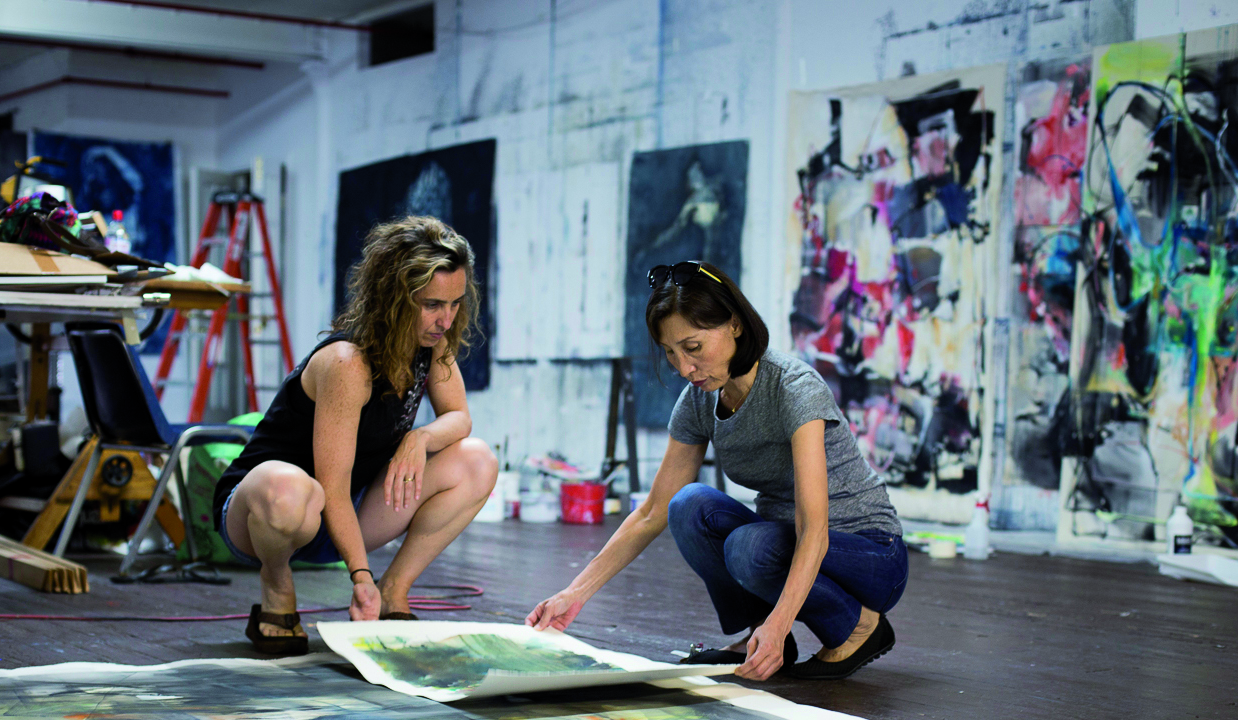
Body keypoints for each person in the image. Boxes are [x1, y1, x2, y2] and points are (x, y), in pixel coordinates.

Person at [526, 261, 907, 681]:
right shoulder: (699, 400)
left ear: (735, 325)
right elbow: (652, 511)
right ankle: (756, 634)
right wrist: (574, 594)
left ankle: (859, 627)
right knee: (687, 505)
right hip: (784, 541)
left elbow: (812, 528)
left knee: (750, 547)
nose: (683, 367)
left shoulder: (794, 388)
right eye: (671, 352)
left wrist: (780, 625)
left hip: (871, 554)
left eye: (692, 347)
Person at [214, 216, 498, 654]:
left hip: (345, 512)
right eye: (431, 304)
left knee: (477, 461)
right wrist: (359, 576)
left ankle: (394, 588)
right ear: (395, 298)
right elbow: (331, 485)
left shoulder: (431, 343)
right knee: (290, 488)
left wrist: (420, 438)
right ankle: (276, 583)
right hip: (267, 517)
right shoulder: (348, 362)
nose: (445, 320)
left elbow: (459, 417)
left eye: (455, 304)